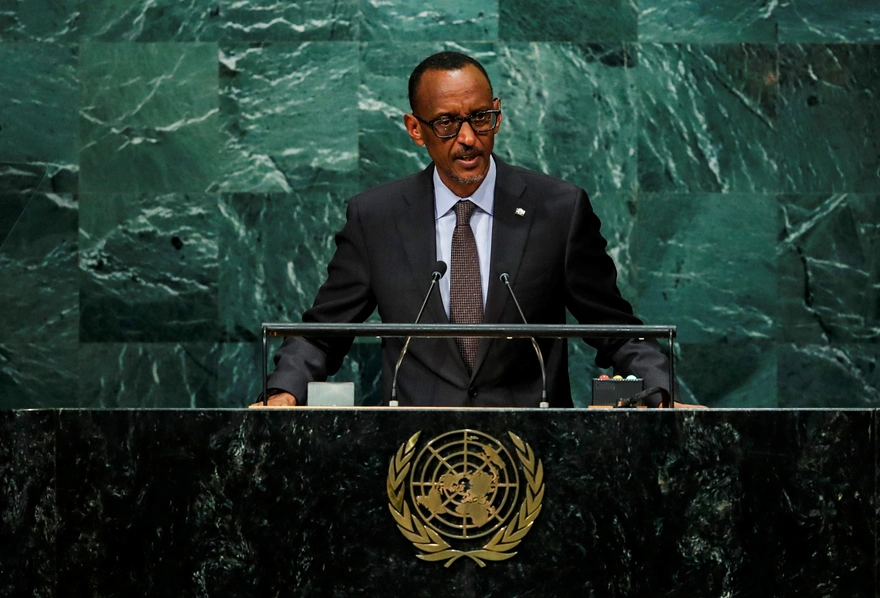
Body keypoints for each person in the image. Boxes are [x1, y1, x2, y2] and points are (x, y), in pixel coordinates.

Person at [253, 51, 678, 409]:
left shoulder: (558, 210)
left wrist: (658, 386)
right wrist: (283, 392)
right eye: (446, 123)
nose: (468, 138)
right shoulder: (376, 218)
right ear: (415, 129)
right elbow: (323, 334)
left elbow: (616, 330)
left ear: (499, 113)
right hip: (417, 460)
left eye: (481, 118)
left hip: (532, 455)